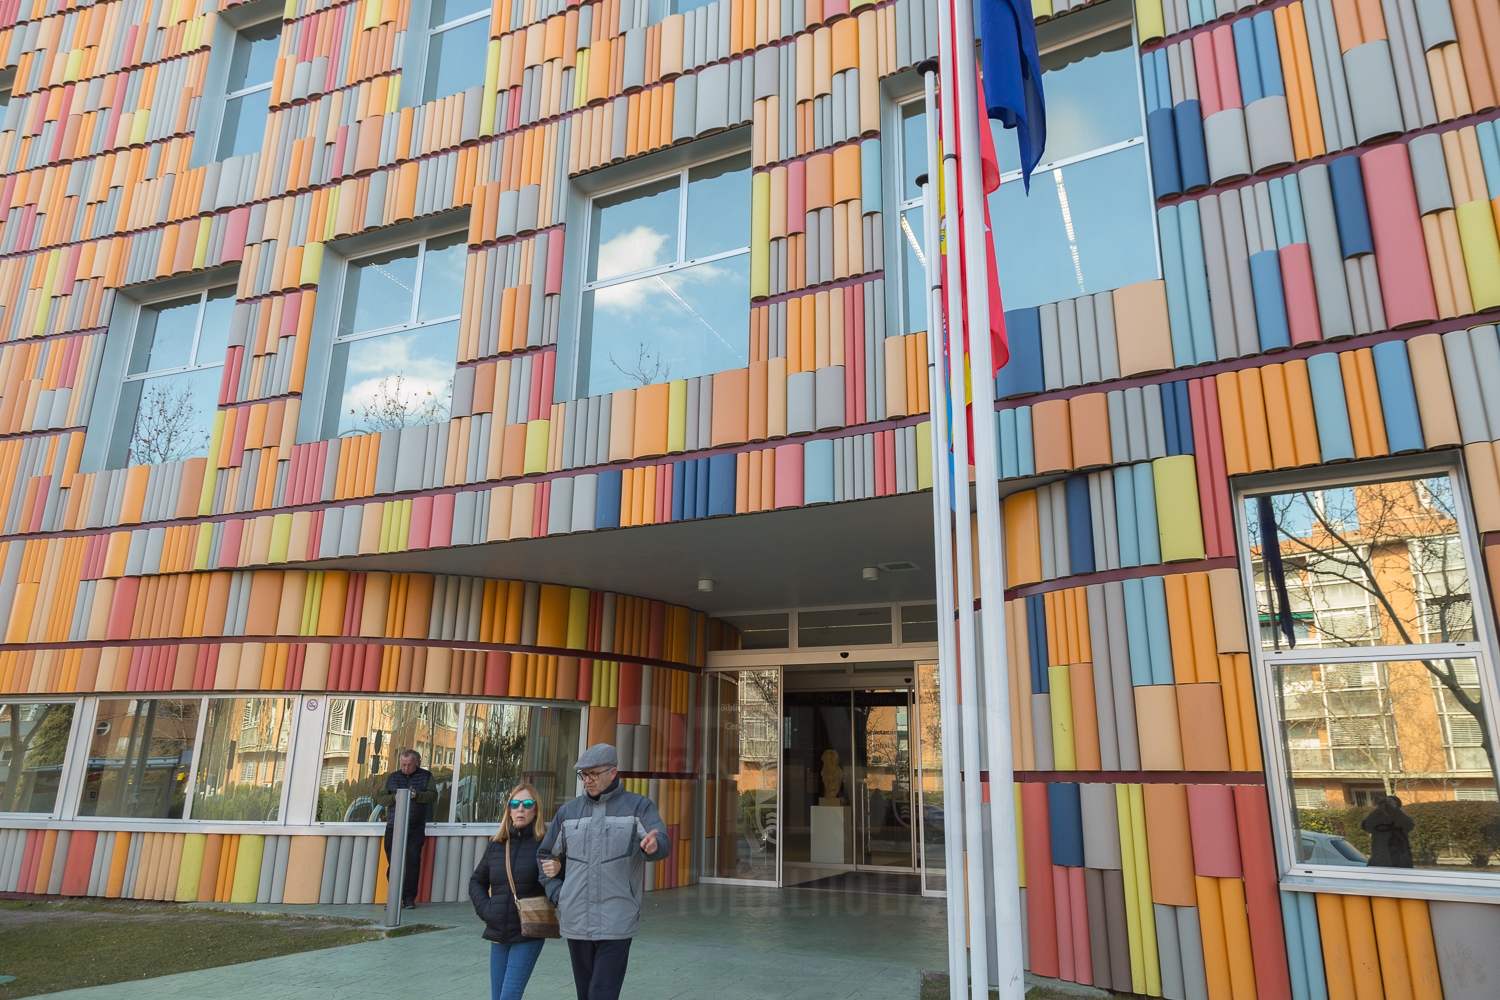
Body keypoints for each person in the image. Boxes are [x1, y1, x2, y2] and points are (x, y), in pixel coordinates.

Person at [538, 743, 670, 1000]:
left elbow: (662, 842)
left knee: (602, 993)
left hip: (617, 919)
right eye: (584, 775)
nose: (587, 780)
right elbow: (545, 856)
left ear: (613, 772)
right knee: (585, 993)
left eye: (594, 774)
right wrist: (558, 893)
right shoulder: (567, 813)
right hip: (575, 919)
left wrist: (652, 846)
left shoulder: (639, 807)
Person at [470, 782, 552, 1000]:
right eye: (514, 803)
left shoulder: (545, 844)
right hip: (498, 932)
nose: (520, 809)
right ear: (508, 809)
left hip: (529, 931)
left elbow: (558, 881)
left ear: (536, 810)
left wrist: (558, 871)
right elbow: (476, 881)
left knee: (509, 996)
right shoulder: (496, 845)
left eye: (527, 803)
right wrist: (487, 910)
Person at [374, 749, 438, 909]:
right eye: (403, 765)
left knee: (413, 861)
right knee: (393, 863)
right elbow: (381, 799)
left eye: (409, 765)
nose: (406, 768)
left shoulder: (426, 776)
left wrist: (417, 796)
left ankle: (409, 898)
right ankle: (396, 896)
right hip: (393, 826)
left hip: (415, 827)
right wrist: (394, 798)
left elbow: (432, 796)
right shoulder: (392, 777)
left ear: (416, 763)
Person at [1362, 794, 1415, 868]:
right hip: (1380, 860)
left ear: (1398, 807)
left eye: (1390, 804)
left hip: (1400, 860)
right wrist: (1378, 810)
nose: (1387, 807)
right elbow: (1365, 826)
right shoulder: (1377, 819)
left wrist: (1395, 809)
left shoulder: (1401, 819)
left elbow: (1409, 825)